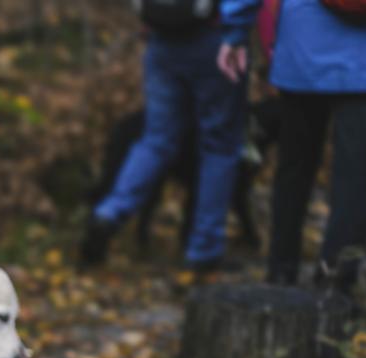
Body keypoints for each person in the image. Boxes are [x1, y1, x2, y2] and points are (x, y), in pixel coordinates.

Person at [219, 0, 366, 292]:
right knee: (355, 181)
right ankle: (335, 285)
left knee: (293, 171)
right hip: (365, 62)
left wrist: (234, 31)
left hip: (301, 51)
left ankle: (281, 272)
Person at [80, 8, 248, 272]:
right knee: (219, 145)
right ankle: (205, 249)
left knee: (156, 140)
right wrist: (238, 32)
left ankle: (108, 213)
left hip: (162, 38)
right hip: (215, 40)